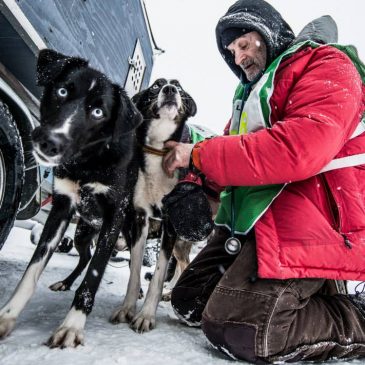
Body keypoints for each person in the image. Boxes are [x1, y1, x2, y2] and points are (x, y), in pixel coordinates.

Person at [162, 0, 365, 363]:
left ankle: (355, 315)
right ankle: (311, 289)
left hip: (316, 220)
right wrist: (197, 186)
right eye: (231, 52)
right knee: (189, 301)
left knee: (248, 329)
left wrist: (197, 155)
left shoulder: (328, 64)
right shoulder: (250, 98)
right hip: (257, 223)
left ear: (268, 31)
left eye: (243, 44)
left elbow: (300, 149)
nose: (237, 57)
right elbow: (233, 157)